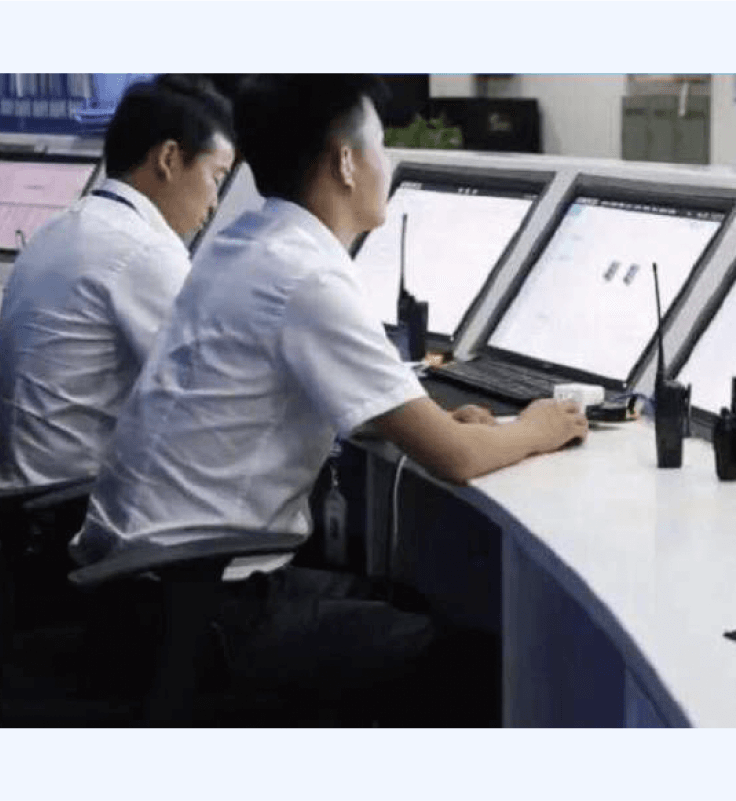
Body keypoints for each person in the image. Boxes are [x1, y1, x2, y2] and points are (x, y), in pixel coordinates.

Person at [69, 74, 587, 724]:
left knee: (405, 603)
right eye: (380, 145)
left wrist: (422, 417)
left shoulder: (245, 244)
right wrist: (540, 425)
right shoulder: (306, 276)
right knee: (480, 665)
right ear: (345, 162)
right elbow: (455, 458)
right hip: (207, 607)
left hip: (145, 590)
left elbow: (296, 391)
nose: (386, 164)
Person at [0, 74, 235, 490]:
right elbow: (213, 393)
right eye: (215, 178)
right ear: (168, 158)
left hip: (25, 497)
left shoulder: (58, 227)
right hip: (71, 504)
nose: (215, 203)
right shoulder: (143, 250)